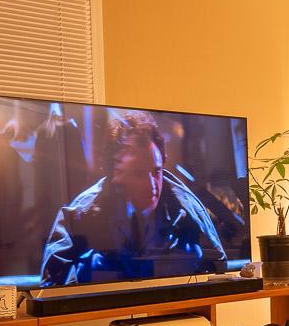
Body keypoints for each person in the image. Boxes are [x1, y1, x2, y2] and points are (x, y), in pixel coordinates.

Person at [39, 110, 228, 285]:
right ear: (115, 174)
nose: (152, 184)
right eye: (138, 173)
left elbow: (218, 266)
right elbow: (52, 281)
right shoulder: (82, 211)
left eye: (156, 171)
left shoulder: (185, 207)